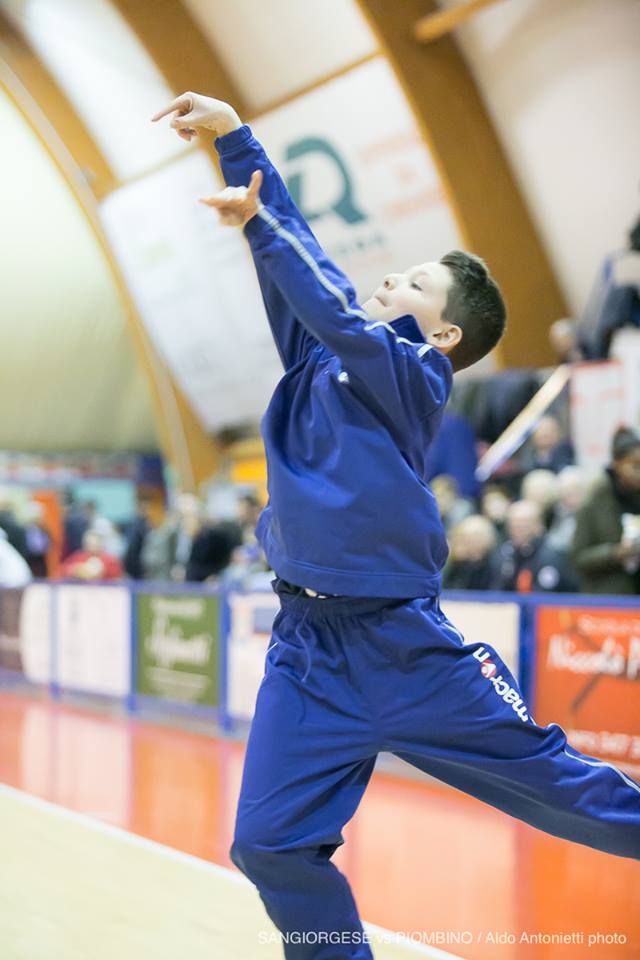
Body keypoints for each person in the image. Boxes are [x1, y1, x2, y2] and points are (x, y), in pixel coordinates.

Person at [153, 92, 640, 958]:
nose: (390, 282)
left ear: (443, 333)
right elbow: (303, 262)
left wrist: (259, 228)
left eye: (414, 285)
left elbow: (324, 295)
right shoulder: (319, 358)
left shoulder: (417, 378)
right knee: (267, 844)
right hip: (308, 650)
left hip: (403, 649)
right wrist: (233, 139)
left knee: (565, 790)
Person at [571, 427, 640, 594]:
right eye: (635, 466)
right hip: (609, 599)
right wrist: (615, 553)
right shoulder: (594, 503)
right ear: (617, 464)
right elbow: (578, 558)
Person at [492, 500, 577, 593]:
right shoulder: (505, 554)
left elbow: (546, 595)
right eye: (513, 526)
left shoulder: (551, 557)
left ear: (538, 526)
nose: (516, 531)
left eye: (522, 526)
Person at [442, 514, 497, 591]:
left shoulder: (494, 564)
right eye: (463, 537)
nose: (468, 541)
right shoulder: (455, 564)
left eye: (474, 536)